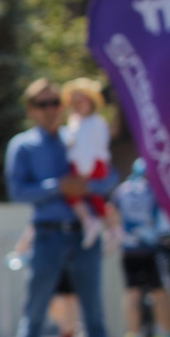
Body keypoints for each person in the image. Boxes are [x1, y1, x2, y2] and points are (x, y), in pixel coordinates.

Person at [7, 78, 110, 337]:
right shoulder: (23, 146)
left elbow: (109, 175)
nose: (51, 110)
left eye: (55, 103)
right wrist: (57, 186)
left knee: (93, 314)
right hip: (47, 234)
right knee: (34, 314)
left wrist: (88, 186)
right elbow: (18, 191)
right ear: (30, 110)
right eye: (43, 104)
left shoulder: (78, 135)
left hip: (82, 235)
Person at [113, 158, 170, 337]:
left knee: (132, 294)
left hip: (128, 249)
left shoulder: (121, 191)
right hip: (150, 248)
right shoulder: (155, 189)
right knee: (159, 293)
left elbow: (111, 214)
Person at [60, 79, 113, 248]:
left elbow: (89, 149)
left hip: (88, 165)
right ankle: (105, 227)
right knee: (93, 199)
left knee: (79, 195)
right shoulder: (75, 122)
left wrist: (84, 171)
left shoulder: (95, 123)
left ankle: (97, 224)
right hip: (82, 165)